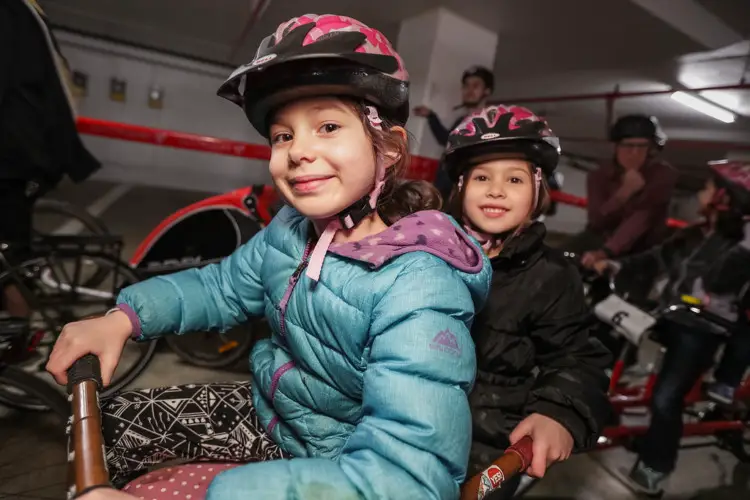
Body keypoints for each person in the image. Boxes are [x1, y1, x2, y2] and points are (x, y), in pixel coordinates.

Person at [46, 14, 493, 500]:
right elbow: (221, 288)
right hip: (273, 411)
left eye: (326, 126)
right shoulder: (290, 229)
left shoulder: (419, 287)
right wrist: (123, 319)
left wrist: (227, 493)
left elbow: (410, 476)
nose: (299, 150)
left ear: (386, 147)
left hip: (339, 461)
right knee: (116, 428)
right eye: (283, 135)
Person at [441, 104, 612, 498]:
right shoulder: (430, 253)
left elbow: (576, 358)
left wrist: (558, 413)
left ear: (538, 191)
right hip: (403, 426)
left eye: (514, 179)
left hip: (484, 446)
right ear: (462, 186)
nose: (496, 189)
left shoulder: (551, 275)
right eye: (482, 176)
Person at [593, 160, 750, 496]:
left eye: (708, 188)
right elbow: (656, 258)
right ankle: (606, 420)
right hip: (669, 315)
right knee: (601, 346)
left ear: (725, 198)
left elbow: (722, 282)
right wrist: (615, 264)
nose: (700, 193)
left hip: (702, 328)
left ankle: (656, 468)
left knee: (666, 399)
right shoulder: (694, 233)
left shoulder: (738, 247)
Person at [0, 0, 100, 321]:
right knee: (13, 243)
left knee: (8, 254)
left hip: (16, 151)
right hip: (28, 146)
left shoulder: (8, 11)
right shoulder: (24, 10)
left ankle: (20, 335)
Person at [568, 115, 677, 272]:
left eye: (642, 147)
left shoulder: (662, 175)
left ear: (651, 150)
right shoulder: (599, 176)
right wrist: (623, 194)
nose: (634, 153)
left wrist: (607, 252)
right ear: (616, 147)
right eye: (627, 146)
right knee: (554, 264)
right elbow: (596, 221)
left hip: (644, 248)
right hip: (600, 238)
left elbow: (642, 220)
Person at [413, 66, 494, 198]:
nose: (469, 90)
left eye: (475, 86)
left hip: (462, 194)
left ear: (487, 91)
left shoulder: (488, 123)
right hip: (444, 190)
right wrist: (431, 116)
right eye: (466, 86)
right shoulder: (462, 120)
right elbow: (445, 140)